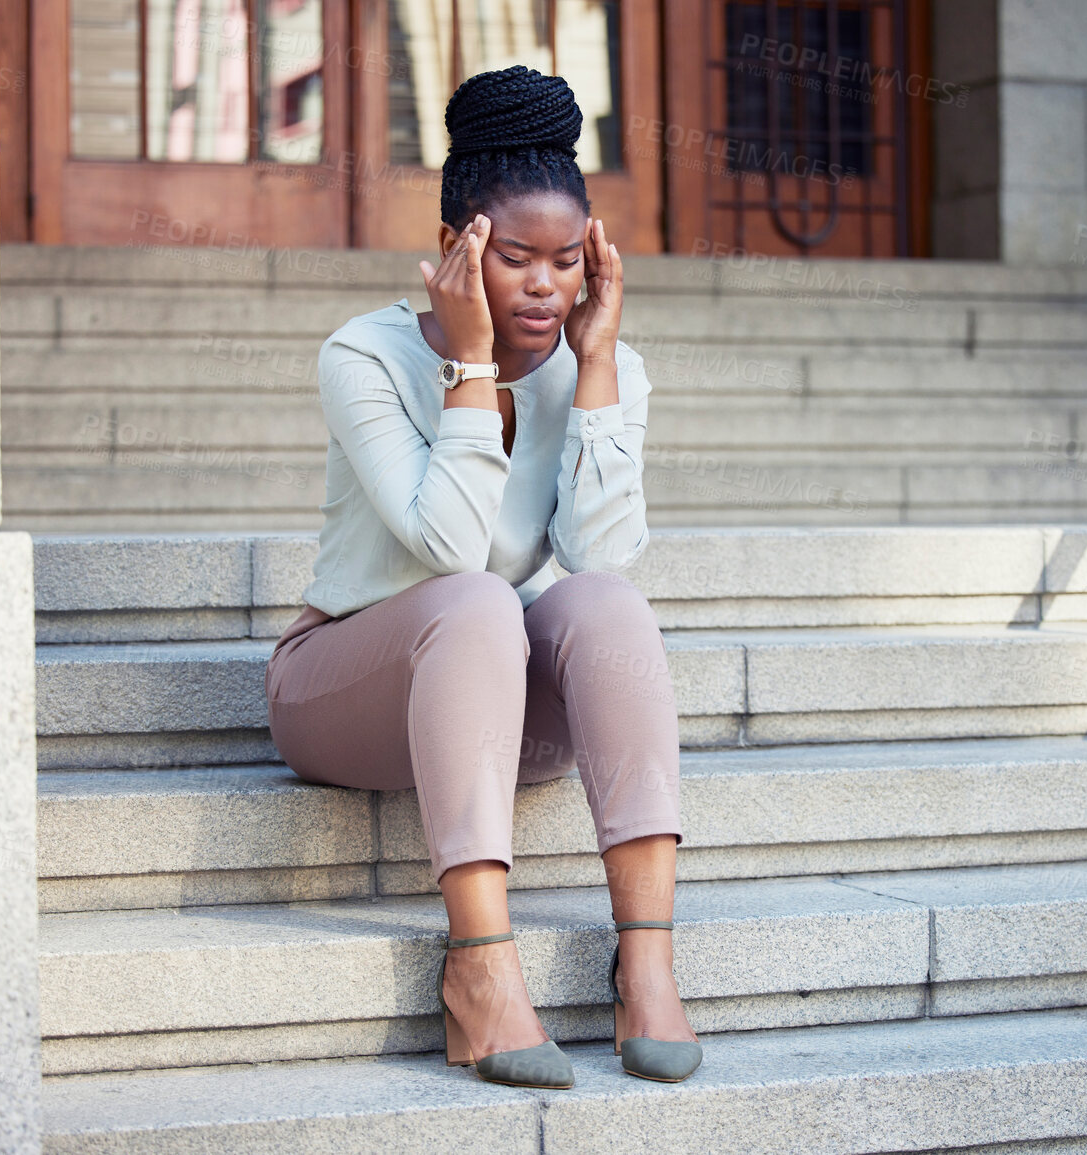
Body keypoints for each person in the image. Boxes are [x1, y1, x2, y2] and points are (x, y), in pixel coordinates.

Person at [263, 64, 701, 1089]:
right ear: (459, 248)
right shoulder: (364, 356)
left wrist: (593, 374)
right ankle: (482, 970)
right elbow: (450, 549)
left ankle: (648, 957)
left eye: (565, 259)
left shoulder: (609, 368)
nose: (544, 285)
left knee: (604, 602)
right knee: (474, 598)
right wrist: (468, 365)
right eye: (514, 258)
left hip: (498, 704)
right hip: (341, 689)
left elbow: (599, 556)